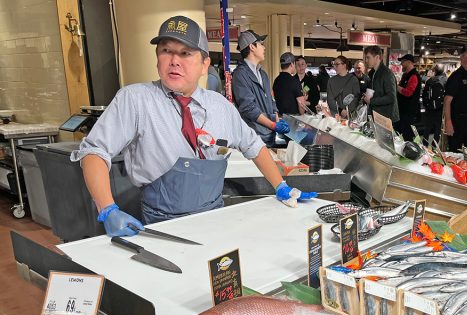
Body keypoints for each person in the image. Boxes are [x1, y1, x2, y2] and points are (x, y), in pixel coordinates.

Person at [71, 16, 315, 232]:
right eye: (166, 51)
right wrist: (107, 208)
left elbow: (254, 147)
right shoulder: (135, 99)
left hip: (215, 217)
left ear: (205, 64)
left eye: (186, 53)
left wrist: (282, 187)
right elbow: (94, 151)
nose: (174, 61)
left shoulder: (220, 106)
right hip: (160, 222)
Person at [232, 29, 289, 147]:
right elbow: (248, 108)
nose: (264, 48)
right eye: (261, 44)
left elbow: (271, 101)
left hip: (269, 136)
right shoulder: (240, 75)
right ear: (252, 47)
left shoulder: (263, 74)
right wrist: (272, 125)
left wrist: (277, 118)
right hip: (253, 137)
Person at [363, 45, 399, 123]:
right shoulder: (371, 73)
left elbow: (391, 97)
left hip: (386, 118)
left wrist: (371, 101)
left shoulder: (387, 74)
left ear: (377, 57)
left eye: (368, 57)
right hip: (376, 115)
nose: (366, 60)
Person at [395, 54, 421, 141]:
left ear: (409, 62)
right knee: (399, 133)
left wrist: (397, 87)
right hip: (402, 111)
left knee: (407, 137)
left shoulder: (414, 76)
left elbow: (409, 93)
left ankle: (408, 153)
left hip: (408, 113)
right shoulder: (405, 75)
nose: (401, 64)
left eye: (403, 61)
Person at [422, 63, 447, 145]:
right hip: (440, 109)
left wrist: (427, 106)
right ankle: (434, 148)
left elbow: (424, 95)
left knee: (427, 129)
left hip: (429, 109)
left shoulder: (429, 80)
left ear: (434, 70)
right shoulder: (446, 80)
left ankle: (424, 146)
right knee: (438, 130)